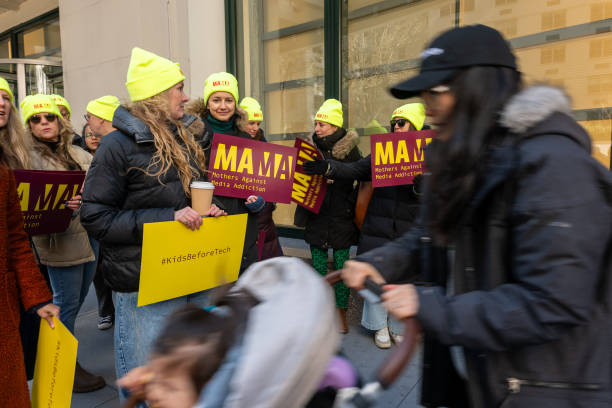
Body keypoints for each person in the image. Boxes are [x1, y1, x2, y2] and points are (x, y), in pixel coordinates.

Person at [342, 24, 612, 407]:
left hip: (544, 391)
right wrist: (378, 264)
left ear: (480, 89)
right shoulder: (456, 162)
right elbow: (426, 237)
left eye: (437, 92)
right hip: (478, 377)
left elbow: (553, 302)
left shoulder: (555, 166)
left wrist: (428, 306)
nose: (427, 105)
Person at [80, 48, 227, 398]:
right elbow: (95, 217)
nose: (187, 96)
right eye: (178, 88)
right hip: (143, 282)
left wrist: (208, 208)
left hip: (189, 270)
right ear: (157, 96)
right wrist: (168, 218)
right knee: (146, 382)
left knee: (186, 377)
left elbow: (183, 199)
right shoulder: (116, 145)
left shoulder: (184, 139)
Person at [304, 103, 426, 348]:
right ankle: (378, 325)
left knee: (403, 278)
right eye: (393, 123)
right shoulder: (383, 153)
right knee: (376, 276)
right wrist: (328, 167)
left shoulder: (429, 153)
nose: (396, 127)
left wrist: (421, 187)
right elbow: (355, 169)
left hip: (407, 227)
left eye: (401, 122)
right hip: (378, 226)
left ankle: (397, 325)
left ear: (416, 125)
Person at [22, 93, 105, 392]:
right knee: (64, 306)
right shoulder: (26, 159)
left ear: (59, 120)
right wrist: (60, 206)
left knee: (74, 302)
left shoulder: (78, 153)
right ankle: (62, 367)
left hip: (89, 237)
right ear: (28, 125)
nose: (44, 122)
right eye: (36, 118)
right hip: (59, 244)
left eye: (49, 117)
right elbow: (28, 208)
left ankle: (62, 360)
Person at [0, 78, 60, 408]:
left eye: (5, 97)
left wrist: (39, 299)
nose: (1, 103)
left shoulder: (4, 171)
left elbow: (17, 241)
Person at [185, 73, 265, 272]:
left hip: (244, 224)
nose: (223, 106)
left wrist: (260, 201)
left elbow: (258, 180)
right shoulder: (192, 135)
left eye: (228, 100)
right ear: (207, 103)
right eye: (216, 100)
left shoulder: (246, 137)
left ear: (235, 103)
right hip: (208, 222)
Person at [295, 98, 361, 333]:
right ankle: (321, 311)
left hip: (341, 216)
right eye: (316, 124)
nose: (317, 129)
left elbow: (359, 177)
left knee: (343, 267)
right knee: (319, 267)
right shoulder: (309, 148)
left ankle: (340, 311)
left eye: (322, 124)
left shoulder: (350, 150)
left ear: (334, 126)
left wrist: (334, 179)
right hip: (316, 215)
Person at [84, 94, 120, 330]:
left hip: (117, 226)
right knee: (100, 272)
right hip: (103, 227)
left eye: (90, 117)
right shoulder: (84, 156)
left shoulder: (116, 147)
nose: (88, 123)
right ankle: (106, 310)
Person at [239, 96, 283, 260]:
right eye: (251, 123)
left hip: (264, 219)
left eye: (258, 124)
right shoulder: (231, 144)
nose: (255, 128)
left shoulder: (265, 146)